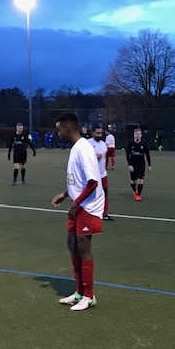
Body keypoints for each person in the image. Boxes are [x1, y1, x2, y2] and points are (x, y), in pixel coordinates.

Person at [51, 112, 105, 311]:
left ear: (67, 128)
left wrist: (76, 204)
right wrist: (66, 194)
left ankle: (89, 296)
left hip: (89, 206)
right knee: (72, 244)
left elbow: (92, 182)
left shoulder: (84, 149)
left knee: (83, 248)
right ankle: (79, 292)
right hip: (78, 203)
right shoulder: (76, 148)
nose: (58, 134)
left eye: (59, 130)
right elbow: (79, 180)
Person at [89, 125, 113, 220]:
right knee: (90, 194)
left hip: (103, 174)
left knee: (105, 194)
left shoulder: (103, 144)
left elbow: (105, 158)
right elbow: (83, 157)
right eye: (97, 133)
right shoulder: (88, 143)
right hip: (91, 174)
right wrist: (94, 155)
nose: (99, 135)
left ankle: (104, 214)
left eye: (101, 133)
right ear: (92, 133)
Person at [126, 128, 151, 201]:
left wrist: (149, 165)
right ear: (134, 135)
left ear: (141, 135)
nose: (137, 135)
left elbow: (147, 155)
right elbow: (127, 155)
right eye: (136, 134)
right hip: (133, 165)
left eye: (138, 134)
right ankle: (135, 191)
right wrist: (129, 165)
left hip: (141, 165)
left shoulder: (144, 144)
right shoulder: (130, 144)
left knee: (140, 180)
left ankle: (138, 195)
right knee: (133, 181)